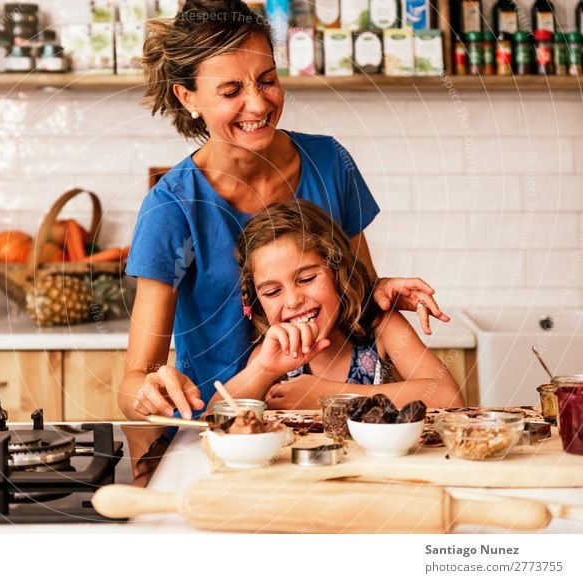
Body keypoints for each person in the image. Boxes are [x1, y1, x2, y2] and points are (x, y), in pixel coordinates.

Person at [119, 0, 449, 463]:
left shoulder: (331, 162)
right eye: (231, 90)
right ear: (187, 97)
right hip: (227, 436)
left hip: (335, 433)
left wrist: (382, 289)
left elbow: (355, 298)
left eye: (267, 81)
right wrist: (150, 392)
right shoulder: (171, 207)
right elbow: (136, 380)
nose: (257, 104)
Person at [210, 199, 464, 410]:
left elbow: (448, 397)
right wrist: (264, 371)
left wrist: (326, 396)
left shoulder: (379, 326)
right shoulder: (274, 354)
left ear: (337, 272)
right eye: (273, 291)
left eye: (307, 278)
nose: (294, 300)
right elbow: (214, 418)